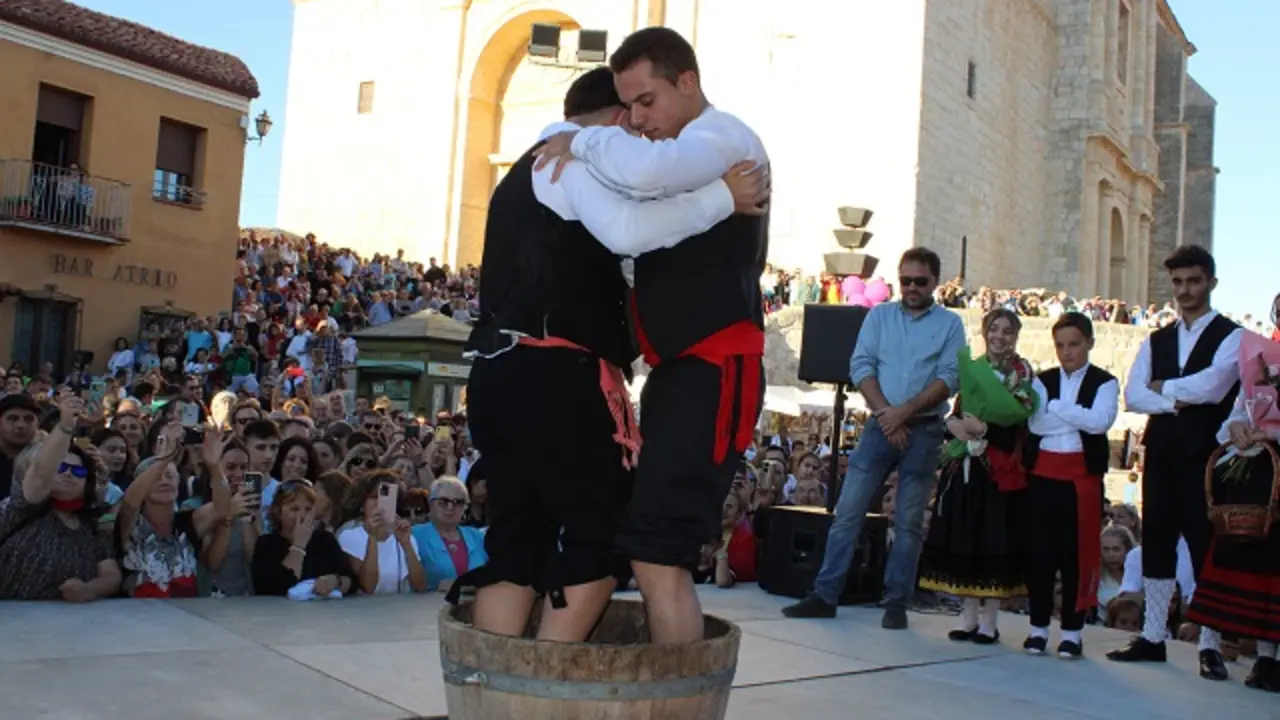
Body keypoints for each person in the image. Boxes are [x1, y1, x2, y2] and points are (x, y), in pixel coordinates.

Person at [456, 66, 767, 643]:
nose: (644, 132)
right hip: (559, 377)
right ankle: (541, 687)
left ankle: (492, 688)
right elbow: (627, 230)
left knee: (517, 538)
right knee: (602, 536)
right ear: (617, 119)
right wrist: (723, 196)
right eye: (637, 117)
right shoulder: (570, 164)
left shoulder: (517, 178)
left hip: (497, 374)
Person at [782, 248, 966, 629]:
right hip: (880, 425)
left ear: (935, 282)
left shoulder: (950, 324)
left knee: (910, 520)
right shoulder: (879, 316)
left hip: (925, 428)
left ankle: (896, 602)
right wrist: (888, 415)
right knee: (847, 512)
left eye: (920, 281)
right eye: (905, 281)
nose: (911, 288)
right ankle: (825, 594)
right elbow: (860, 365)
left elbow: (950, 377)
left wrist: (903, 413)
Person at [1109, 245, 1241, 680]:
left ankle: (1209, 643)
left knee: (1206, 546)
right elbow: (1135, 394)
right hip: (1163, 453)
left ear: (1211, 283)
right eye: (1179, 282)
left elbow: (1215, 387)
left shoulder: (1232, 335)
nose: (1185, 290)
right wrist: (1176, 398)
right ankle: (1152, 636)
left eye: (1194, 281)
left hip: (1205, 456)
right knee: (1159, 542)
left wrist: (1165, 389)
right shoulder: (1157, 338)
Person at [918, 308, 1037, 643]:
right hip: (968, 464)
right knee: (967, 538)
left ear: (1016, 335)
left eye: (1007, 331)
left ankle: (990, 620)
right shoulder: (975, 369)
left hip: (998, 468)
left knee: (993, 540)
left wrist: (987, 430)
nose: (999, 337)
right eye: (994, 329)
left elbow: (1022, 420)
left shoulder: (1020, 372)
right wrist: (954, 425)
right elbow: (959, 409)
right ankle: (968, 617)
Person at [1184, 334, 1280, 692]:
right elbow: (1237, 413)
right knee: (1227, 550)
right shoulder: (1258, 359)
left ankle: (1268, 657)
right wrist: (1239, 428)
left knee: (1273, 566)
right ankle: (1209, 646)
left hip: (1276, 473)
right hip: (1252, 469)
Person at [1022, 312, 1119, 659]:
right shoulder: (1041, 380)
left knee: (1076, 557)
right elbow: (1036, 425)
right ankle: (1037, 628)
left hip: (1081, 479)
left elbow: (1099, 422)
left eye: (1074, 344)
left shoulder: (1105, 383)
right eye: (1061, 345)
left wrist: (1060, 408)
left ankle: (1073, 632)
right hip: (1044, 476)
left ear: (1089, 343)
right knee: (1041, 555)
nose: (1067, 352)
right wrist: (1075, 415)